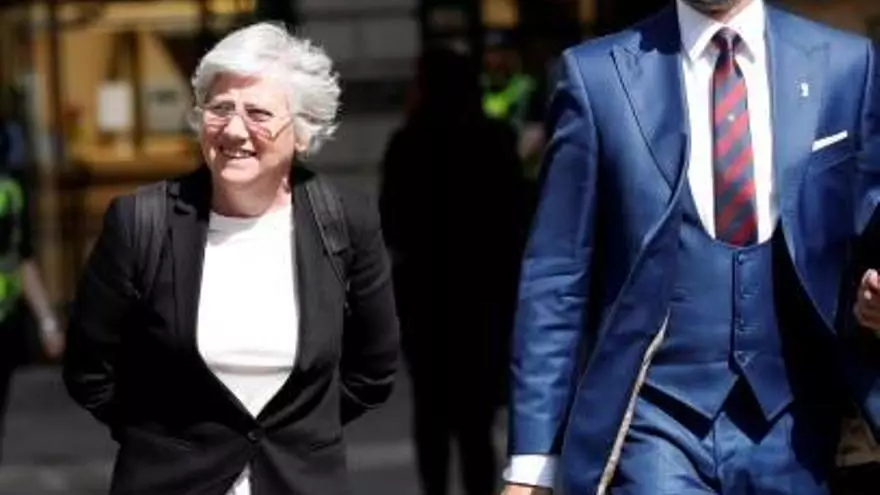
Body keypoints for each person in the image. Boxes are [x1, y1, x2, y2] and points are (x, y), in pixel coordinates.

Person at [502, 0, 880, 494]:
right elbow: (557, 274)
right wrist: (532, 466)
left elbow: (869, 223)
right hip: (654, 424)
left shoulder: (846, 65)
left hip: (800, 426)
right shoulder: (597, 77)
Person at [63, 22, 399, 495]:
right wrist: (163, 440)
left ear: (302, 132)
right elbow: (89, 370)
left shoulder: (345, 220)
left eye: (258, 113)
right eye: (221, 109)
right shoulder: (140, 220)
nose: (235, 130)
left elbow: (373, 371)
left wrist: (297, 435)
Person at [380, 47, 526, 495]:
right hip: (482, 297)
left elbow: (391, 220)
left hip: (425, 298)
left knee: (431, 414)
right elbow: (516, 219)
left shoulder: (408, 143)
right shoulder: (493, 139)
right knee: (476, 420)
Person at [0, 94, 64, 462]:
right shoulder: (12, 192)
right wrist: (48, 323)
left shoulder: (10, 194)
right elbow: (24, 260)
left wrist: (47, 322)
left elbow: (23, 259)